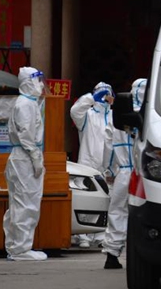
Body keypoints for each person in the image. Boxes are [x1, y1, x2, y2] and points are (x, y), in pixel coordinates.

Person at [3, 67, 49, 261]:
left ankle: (15, 246)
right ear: (29, 82)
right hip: (25, 158)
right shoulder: (26, 105)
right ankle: (21, 249)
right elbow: (26, 135)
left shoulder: (27, 103)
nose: (41, 86)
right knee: (26, 203)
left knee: (18, 204)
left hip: (22, 156)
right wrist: (36, 157)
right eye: (38, 81)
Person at [101, 78, 145, 269]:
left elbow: (108, 148)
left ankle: (112, 254)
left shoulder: (116, 116)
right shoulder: (151, 116)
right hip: (145, 173)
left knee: (117, 212)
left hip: (124, 172)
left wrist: (110, 171)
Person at [70, 81, 114, 248]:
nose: (105, 97)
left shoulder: (113, 115)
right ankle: (84, 236)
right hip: (88, 163)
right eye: (102, 93)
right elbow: (75, 110)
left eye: (107, 93)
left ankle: (102, 234)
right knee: (86, 199)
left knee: (108, 199)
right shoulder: (87, 115)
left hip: (108, 164)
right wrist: (91, 98)